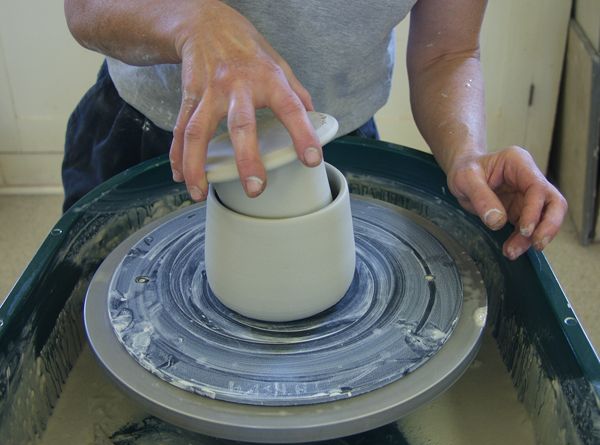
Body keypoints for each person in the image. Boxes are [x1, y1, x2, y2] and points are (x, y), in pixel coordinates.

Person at [62, 0, 567, 261]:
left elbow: (448, 52)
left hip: (333, 152)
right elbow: (84, 7)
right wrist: (193, 21)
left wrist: (466, 153)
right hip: (156, 139)